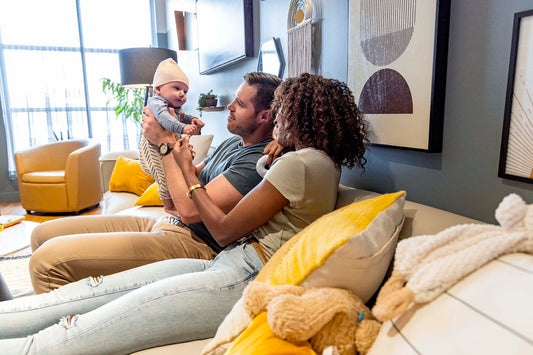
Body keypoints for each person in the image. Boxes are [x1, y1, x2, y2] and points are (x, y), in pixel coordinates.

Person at [0, 73, 369, 354]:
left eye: (285, 110)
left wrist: (183, 166)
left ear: (298, 114)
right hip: (231, 262)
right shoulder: (316, 161)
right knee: (86, 296)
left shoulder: (299, 164)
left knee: (79, 323)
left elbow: (222, 229)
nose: (278, 120)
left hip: (242, 270)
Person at [28, 72, 282, 294]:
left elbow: (190, 211)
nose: (229, 106)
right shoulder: (233, 143)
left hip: (195, 242)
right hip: (166, 221)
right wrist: (171, 150)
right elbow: (186, 182)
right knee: (42, 233)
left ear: (264, 117)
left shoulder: (257, 162)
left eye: (239, 103)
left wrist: (166, 145)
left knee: (47, 261)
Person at [138, 58, 204, 211]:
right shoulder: (156, 103)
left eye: (185, 91)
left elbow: (181, 115)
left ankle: (177, 203)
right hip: (153, 151)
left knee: (173, 176)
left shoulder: (170, 106)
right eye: (176, 88)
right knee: (164, 178)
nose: (182, 94)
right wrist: (183, 127)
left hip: (166, 147)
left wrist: (193, 119)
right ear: (158, 89)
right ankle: (169, 207)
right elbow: (164, 119)